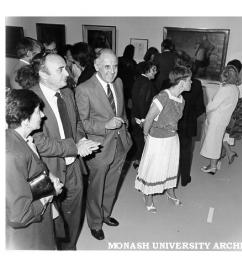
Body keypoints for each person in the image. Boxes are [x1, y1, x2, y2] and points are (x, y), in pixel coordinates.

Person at [29, 52, 100, 250]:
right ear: (43, 74)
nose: (67, 73)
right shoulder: (31, 99)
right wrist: (74, 147)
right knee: (48, 219)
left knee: (74, 213)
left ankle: (68, 249)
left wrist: (82, 142)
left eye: (66, 67)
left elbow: (76, 124)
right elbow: (38, 141)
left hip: (74, 167)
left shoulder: (67, 93)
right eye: (60, 69)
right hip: (47, 170)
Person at [75, 48, 132, 240]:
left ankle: (105, 214)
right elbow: (81, 123)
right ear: (96, 66)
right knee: (96, 188)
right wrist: (105, 125)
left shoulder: (119, 82)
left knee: (112, 184)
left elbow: (122, 111)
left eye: (115, 66)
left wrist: (126, 129)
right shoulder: (84, 89)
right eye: (107, 66)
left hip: (120, 144)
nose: (112, 71)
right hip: (98, 147)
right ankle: (95, 222)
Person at [6, 89, 64, 250]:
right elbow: (20, 215)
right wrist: (49, 193)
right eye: (38, 111)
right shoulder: (12, 155)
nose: (43, 115)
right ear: (25, 120)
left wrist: (48, 176)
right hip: (29, 233)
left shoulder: (20, 140)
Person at [135, 66, 192, 213]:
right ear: (181, 83)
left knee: (170, 166)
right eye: (189, 80)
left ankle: (170, 191)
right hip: (157, 139)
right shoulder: (163, 96)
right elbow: (148, 118)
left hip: (172, 139)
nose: (191, 82)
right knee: (154, 168)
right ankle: (147, 196)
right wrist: (146, 134)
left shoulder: (181, 99)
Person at [200, 65, 239, 174]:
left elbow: (213, 104)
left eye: (222, 74)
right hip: (223, 119)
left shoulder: (225, 89)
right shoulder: (235, 88)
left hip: (216, 119)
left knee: (213, 143)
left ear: (226, 76)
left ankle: (212, 166)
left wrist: (206, 110)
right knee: (216, 141)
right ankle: (213, 164)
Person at [175, 56, 205, 187]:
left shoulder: (168, 82)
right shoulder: (197, 84)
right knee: (186, 152)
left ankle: (170, 180)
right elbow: (200, 108)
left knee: (171, 153)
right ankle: (185, 179)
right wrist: (190, 116)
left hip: (172, 124)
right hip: (188, 124)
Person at [221, 59, 242, 164]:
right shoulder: (229, 82)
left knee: (221, 134)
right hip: (227, 113)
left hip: (230, 115)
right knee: (225, 135)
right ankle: (224, 152)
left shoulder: (240, 85)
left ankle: (229, 152)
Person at [131, 61, 157, 169]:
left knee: (139, 141)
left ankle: (138, 161)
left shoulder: (139, 80)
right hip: (142, 118)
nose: (156, 72)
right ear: (147, 70)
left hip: (136, 116)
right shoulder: (146, 83)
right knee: (144, 143)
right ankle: (142, 168)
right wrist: (143, 120)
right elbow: (142, 101)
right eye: (153, 70)